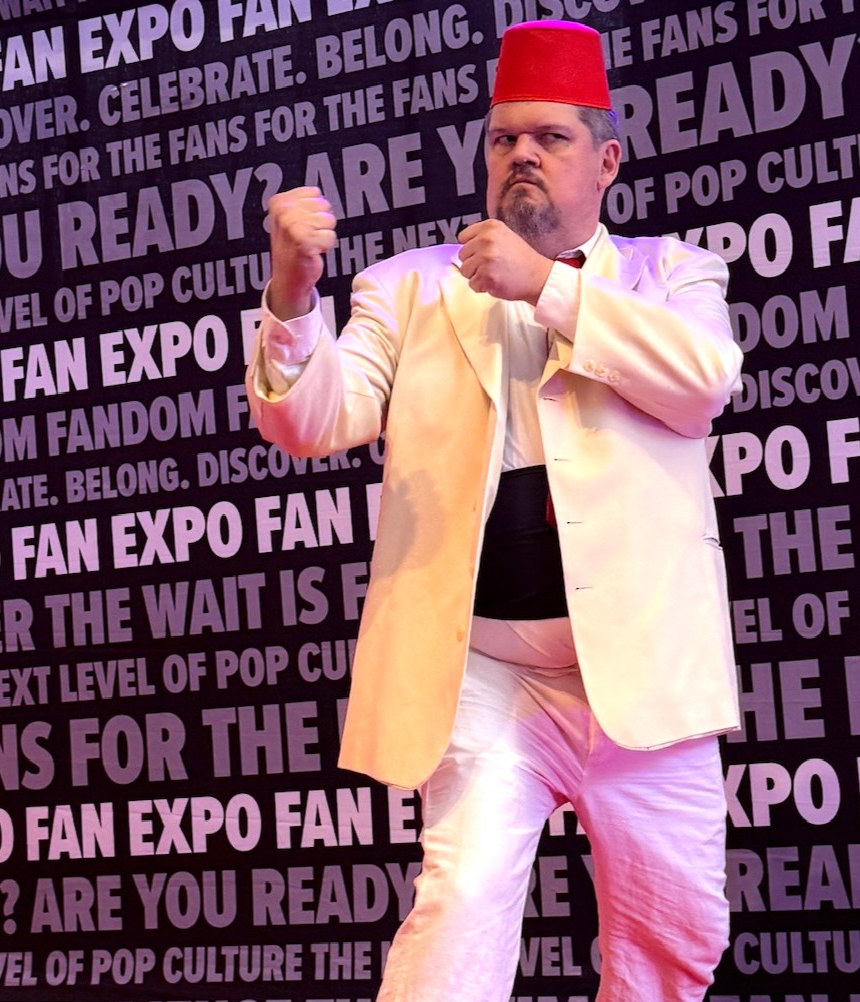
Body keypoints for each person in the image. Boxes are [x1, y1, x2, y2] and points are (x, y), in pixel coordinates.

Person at [246, 19, 743, 1001]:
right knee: (459, 915)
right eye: (504, 137)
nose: (522, 153)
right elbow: (314, 421)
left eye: (549, 137)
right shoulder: (408, 287)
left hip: (642, 681)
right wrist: (292, 293)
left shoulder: (672, 274)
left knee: (673, 940)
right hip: (489, 676)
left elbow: (701, 384)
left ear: (604, 161)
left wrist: (548, 286)